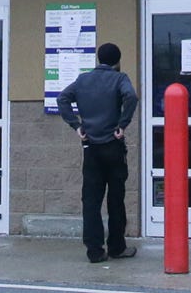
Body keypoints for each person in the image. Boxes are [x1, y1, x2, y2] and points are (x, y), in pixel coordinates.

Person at [57, 42, 139, 265]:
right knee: (116, 199)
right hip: (113, 145)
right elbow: (131, 97)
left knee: (91, 201)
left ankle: (94, 250)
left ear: (97, 59)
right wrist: (123, 124)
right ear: (118, 61)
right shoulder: (120, 79)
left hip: (91, 147)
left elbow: (62, 98)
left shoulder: (83, 80)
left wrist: (77, 126)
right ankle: (117, 247)